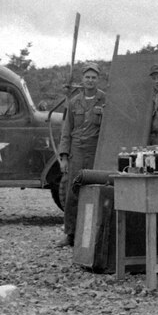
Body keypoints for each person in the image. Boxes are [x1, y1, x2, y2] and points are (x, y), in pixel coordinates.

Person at [54, 64, 105, 247]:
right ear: (82, 79)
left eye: (93, 77)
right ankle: (70, 233)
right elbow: (66, 130)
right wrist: (64, 157)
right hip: (76, 150)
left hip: (94, 151)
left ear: (98, 80)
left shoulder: (104, 100)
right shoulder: (74, 102)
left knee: (95, 191)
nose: (90, 80)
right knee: (72, 192)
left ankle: (93, 236)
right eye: (87, 77)